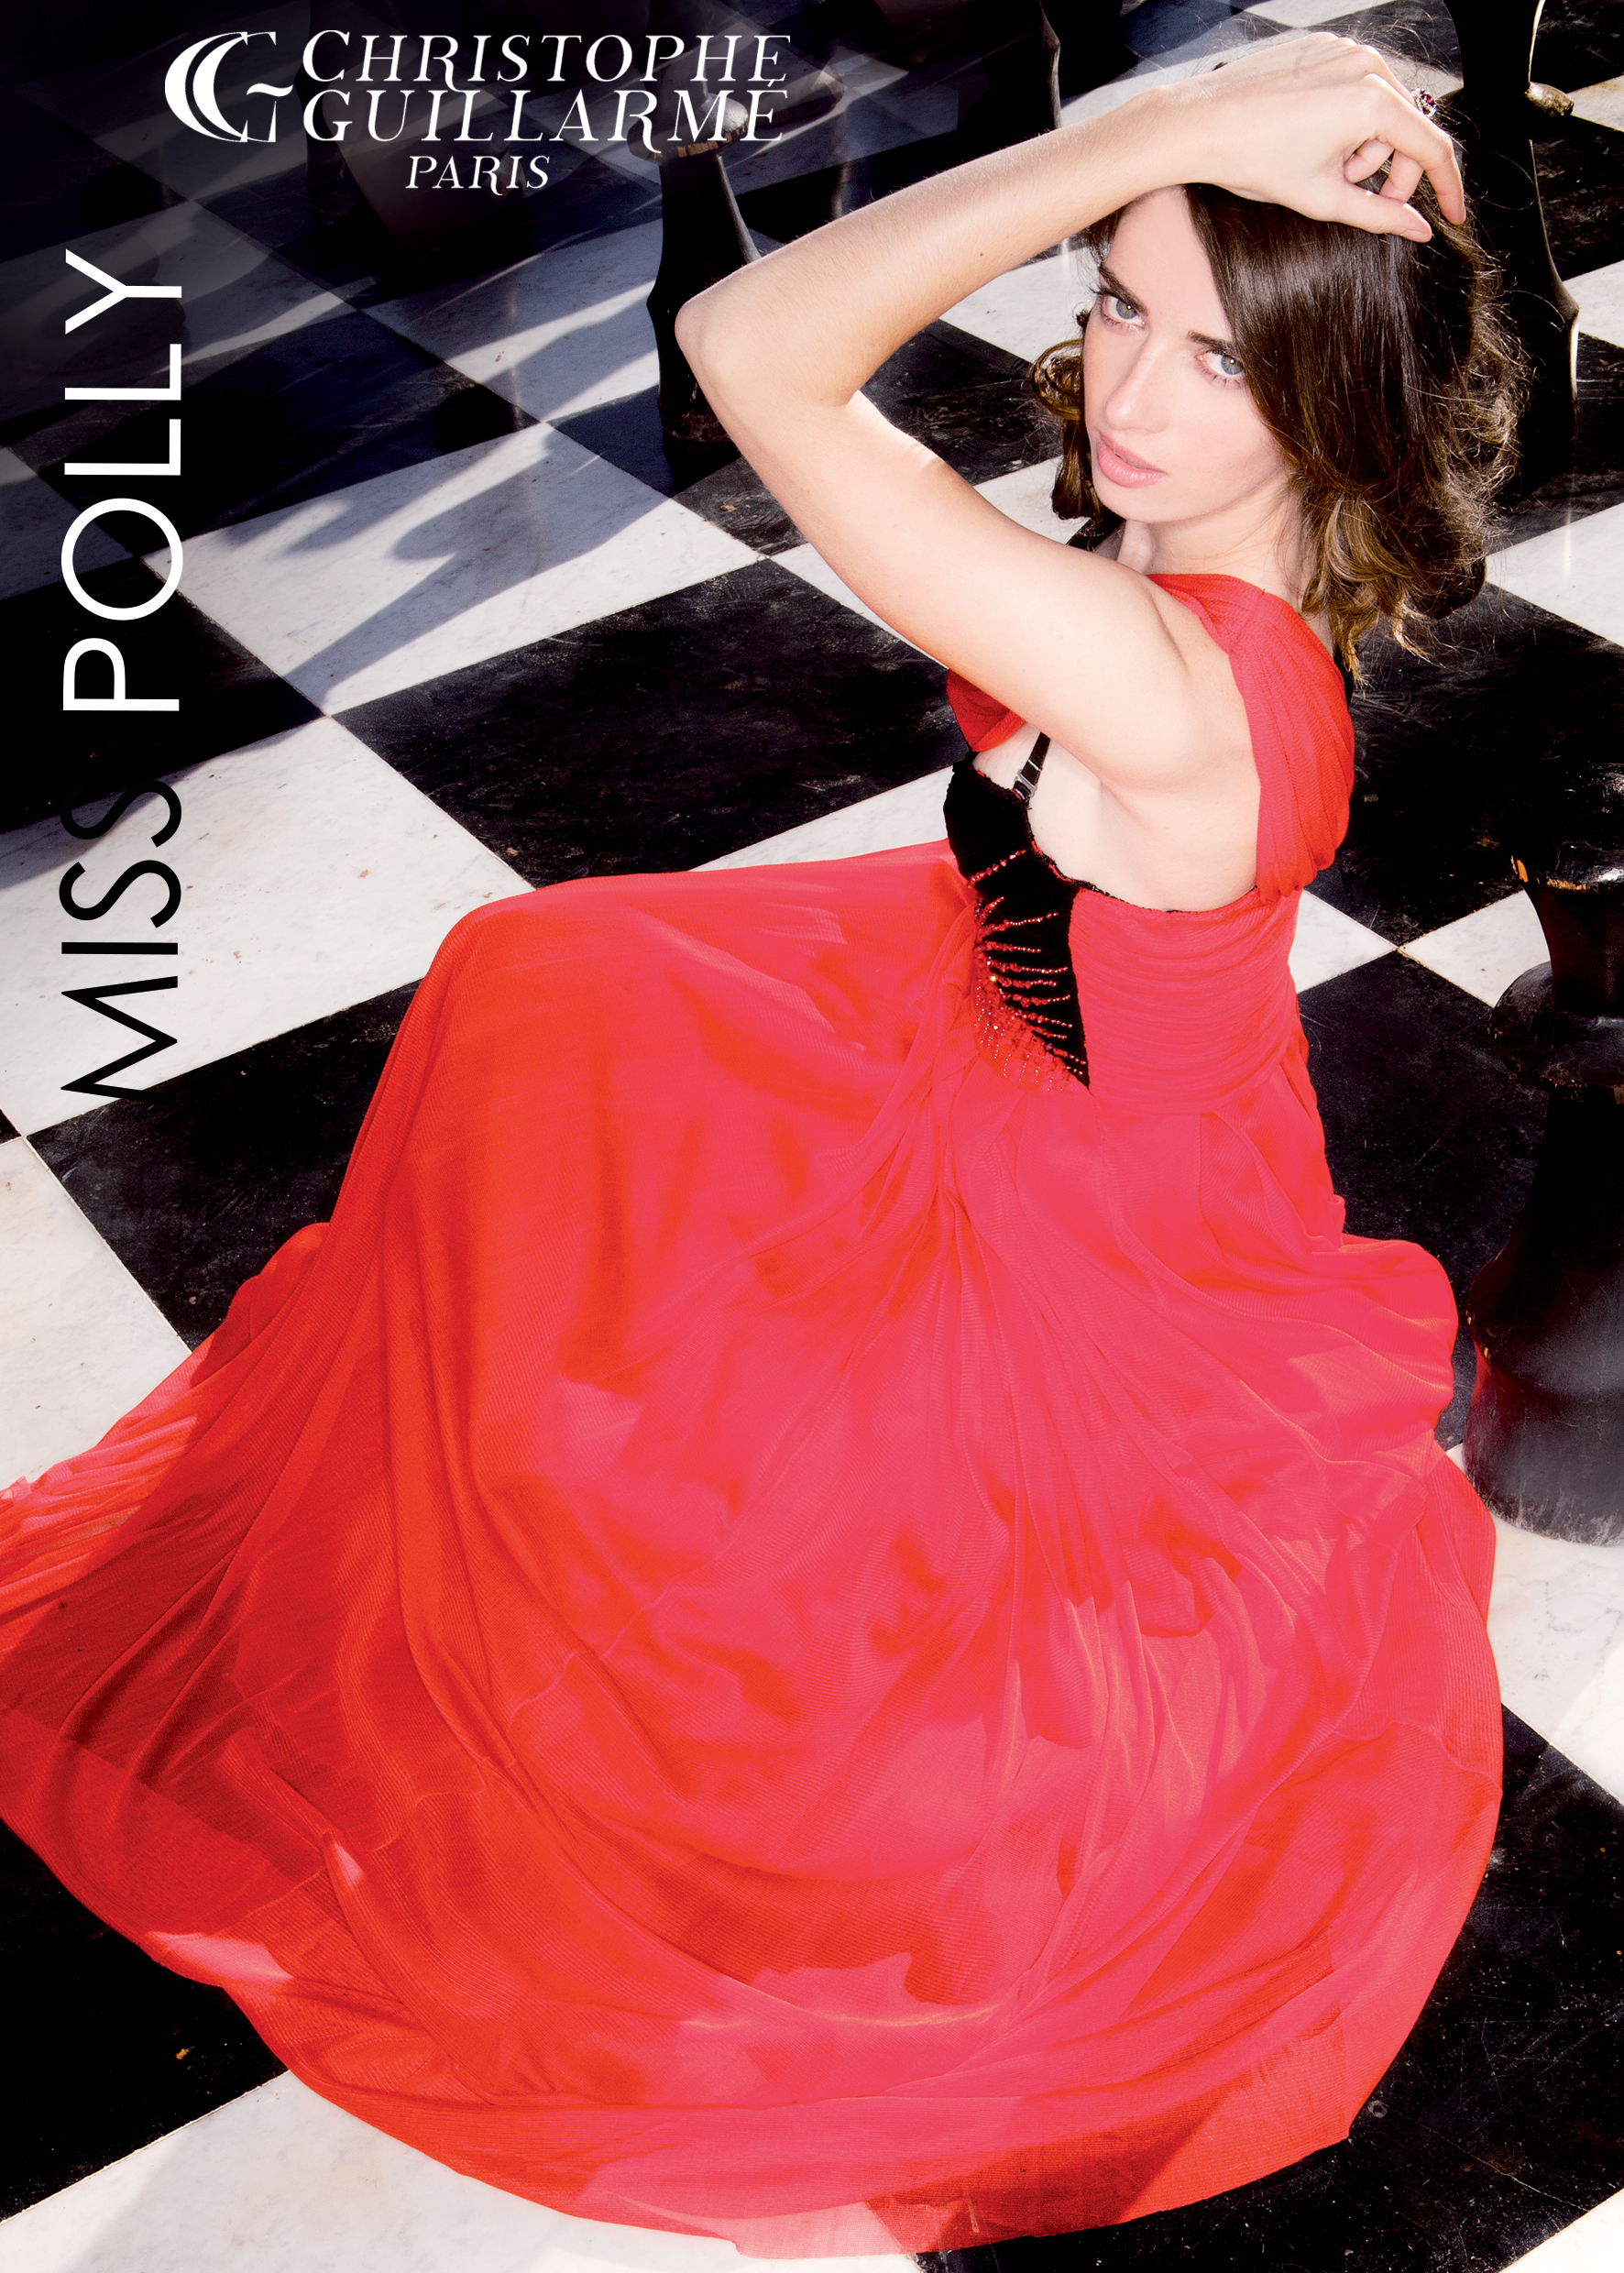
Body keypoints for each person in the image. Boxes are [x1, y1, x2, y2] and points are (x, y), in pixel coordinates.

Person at [1, 35, 1521, 2258]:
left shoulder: (1163, 675)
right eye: (1114, 300)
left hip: (1078, 1199)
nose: (1128, 391)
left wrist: (1155, 136)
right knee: (551, 983)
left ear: (1330, 389)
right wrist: (1217, 159)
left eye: (1215, 355)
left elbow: (743, 345)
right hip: (1052, 1044)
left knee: (771, 1538)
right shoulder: (1213, 565)